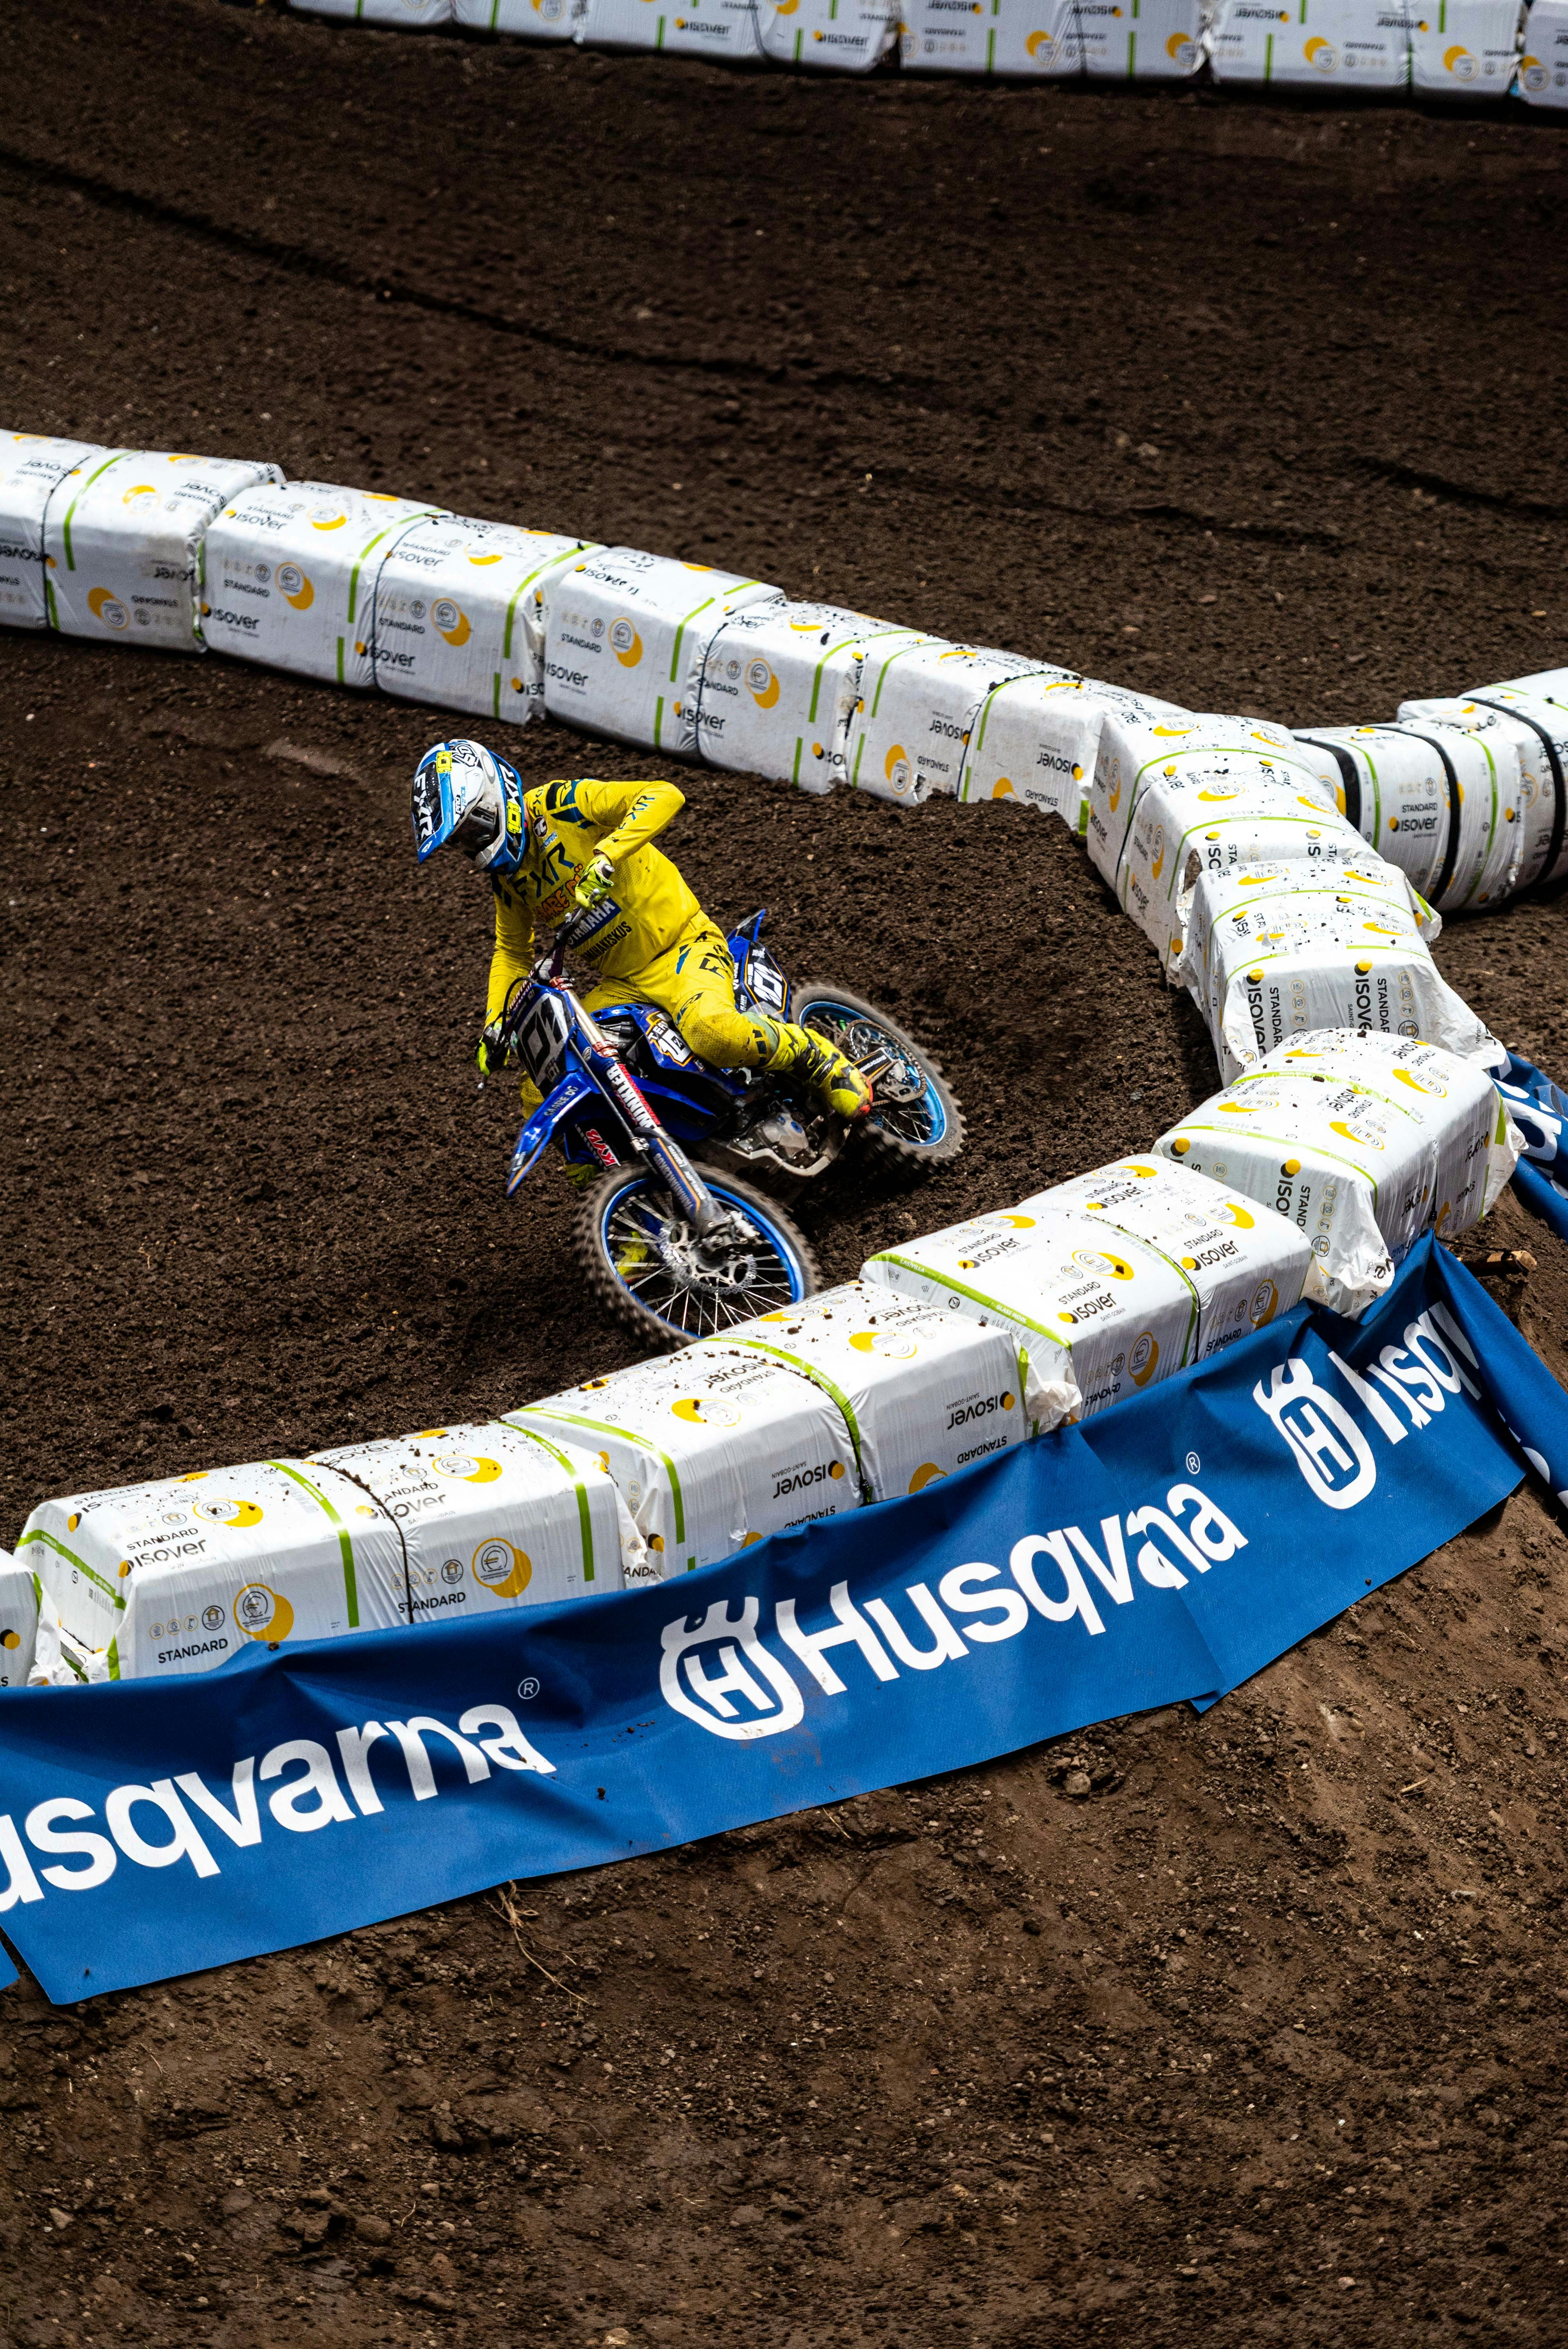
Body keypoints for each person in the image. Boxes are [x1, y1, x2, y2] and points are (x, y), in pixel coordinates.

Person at [410, 738, 873, 1123]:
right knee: (544, 1082)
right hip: (624, 985)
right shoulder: (508, 881)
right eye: (460, 840)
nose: (472, 843)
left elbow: (663, 794)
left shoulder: (559, 804)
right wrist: (496, 1023)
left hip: (682, 946)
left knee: (714, 1034)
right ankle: (620, 1198)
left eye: (473, 825)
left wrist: (608, 853)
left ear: (496, 795)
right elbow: (512, 950)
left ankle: (818, 1058)